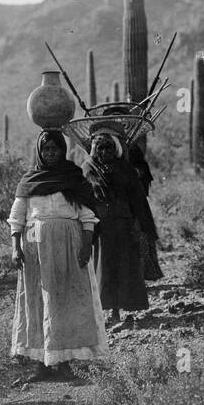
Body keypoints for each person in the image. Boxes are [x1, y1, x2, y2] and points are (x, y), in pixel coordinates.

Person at [8, 129, 109, 380]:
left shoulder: (73, 178)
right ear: (40, 152)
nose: (50, 153)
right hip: (36, 250)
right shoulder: (29, 181)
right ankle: (41, 363)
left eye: (55, 148)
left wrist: (86, 245)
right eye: (46, 149)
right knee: (38, 301)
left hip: (69, 246)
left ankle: (64, 362)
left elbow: (87, 216)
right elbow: (17, 217)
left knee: (65, 301)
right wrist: (15, 247)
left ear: (63, 151)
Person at [84, 132, 158, 324]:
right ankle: (107, 311)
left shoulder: (126, 169)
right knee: (105, 268)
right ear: (94, 150)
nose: (104, 151)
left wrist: (138, 225)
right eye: (100, 147)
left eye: (108, 147)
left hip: (124, 225)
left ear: (115, 148)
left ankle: (122, 309)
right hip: (101, 227)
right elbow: (84, 199)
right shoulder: (88, 169)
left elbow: (138, 200)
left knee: (124, 267)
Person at [128, 143, 164, 281]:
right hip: (128, 208)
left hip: (137, 207)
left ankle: (139, 276)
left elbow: (142, 188)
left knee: (140, 238)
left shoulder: (138, 163)